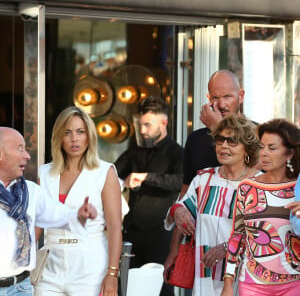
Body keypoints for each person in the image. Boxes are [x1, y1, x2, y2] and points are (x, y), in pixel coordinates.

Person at [164, 69, 247, 295]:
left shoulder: (257, 134)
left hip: (246, 267)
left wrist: (217, 128)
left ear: (241, 95)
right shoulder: (196, 140)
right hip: (203, 253)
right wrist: (174, 249)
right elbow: (184, 196)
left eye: (227, 96)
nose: (220, 104)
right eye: (214, 97)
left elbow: (261, 178)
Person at [34, 106, 122, 296]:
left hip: (90, 266)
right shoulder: (44, 174)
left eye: (80, 132)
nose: (74, 139)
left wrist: (112, 274)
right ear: (59, 138)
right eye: (67, 133)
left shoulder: (104, 172)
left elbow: (115, 225)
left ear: (89, 136)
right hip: (49, 266)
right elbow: (36, 225)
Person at [0, 127, 97, 296]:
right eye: (19, 149)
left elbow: (60, 216)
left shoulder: (30, 191)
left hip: (20, 288)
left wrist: (79, 215)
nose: (27, 156)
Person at [221, 118, 300, 296]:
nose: (264, 153)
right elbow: (237, 237)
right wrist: (228, 282)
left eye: (272, 148)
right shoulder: (246, 188)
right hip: (251, 285)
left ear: (289, 153)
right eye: (262, 147)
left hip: (294, 285)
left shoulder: (298, 189)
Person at [115, 96, 184, 296]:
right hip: (132, 233)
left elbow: (179, 181)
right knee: (127, 288)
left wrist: (146, 177)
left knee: (161, 289)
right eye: (141, 124)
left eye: (148, 125)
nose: (143, 130)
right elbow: (111, 173)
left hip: (160, 235)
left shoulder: (177, 153)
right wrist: (123, 182)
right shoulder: (135, 151)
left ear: (164, 123)